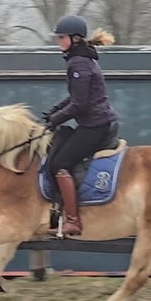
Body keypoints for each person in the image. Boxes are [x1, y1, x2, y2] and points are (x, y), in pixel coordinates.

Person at [43, 15, 119, 236]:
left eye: (61, 37)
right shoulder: (82, 58)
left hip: (95, 125)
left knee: (60, 163)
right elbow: (74, 97)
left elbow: (79, 104)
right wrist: (54, 111)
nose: (58, 41)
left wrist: (56, 119)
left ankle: (73, 221)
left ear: (74, 39)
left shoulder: (78, 62)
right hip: (95, 121)